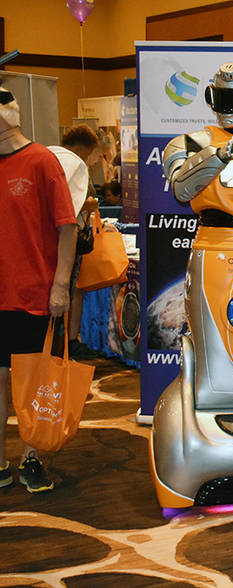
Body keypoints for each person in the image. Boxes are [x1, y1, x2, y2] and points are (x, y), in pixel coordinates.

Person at [0, 85, 77, 493]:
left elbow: (67, 226)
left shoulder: (41, 160)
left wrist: (60, 284)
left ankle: (31, 458)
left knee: (32, 384)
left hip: (32, 294)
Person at [48, 124, 102, 359]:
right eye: (89, 154)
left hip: (46, 244)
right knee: (65, 293)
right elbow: (72, 208)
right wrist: (90, 204)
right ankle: (61, 350)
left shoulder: (47, 158)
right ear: (82, 149)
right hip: (66, 242)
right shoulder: (73, 165)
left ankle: (58, 346)